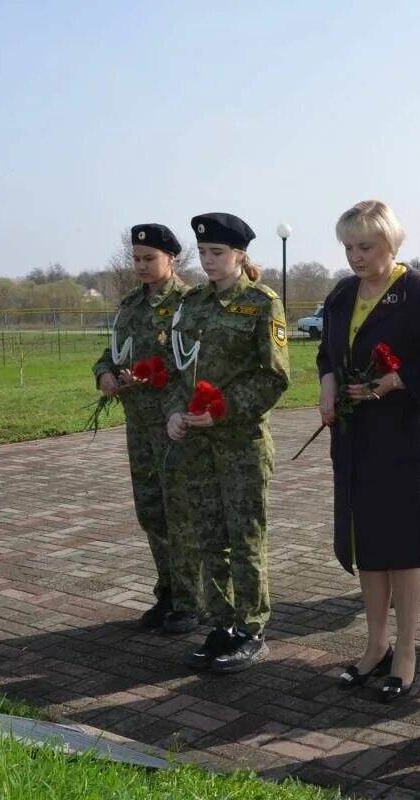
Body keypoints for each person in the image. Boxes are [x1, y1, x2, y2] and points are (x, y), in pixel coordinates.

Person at [317, 200, 420, 703]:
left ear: (391, 243)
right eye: (349, 247)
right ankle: (374, 645)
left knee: (404, 550)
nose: (356, 256)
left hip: (408, 440)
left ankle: (406, 652)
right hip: (357, 441)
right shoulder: (341, 294)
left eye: (366, 246)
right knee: (369, 547)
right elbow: (326, 352)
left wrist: (400, 379)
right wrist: (327, 385)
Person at [166, 212, 289, 674]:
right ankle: (220, 624)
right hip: (197, 445)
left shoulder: (260, 303)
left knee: (244, 539)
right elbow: (178, 369)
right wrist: (176, 413)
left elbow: (275, 377)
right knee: (208, 539)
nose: (208, 261)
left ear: (240, 255)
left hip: (241, 443)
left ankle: (252, 629)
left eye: (218, 253)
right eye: (203, 253)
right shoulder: (191, 303)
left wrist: (219, 409)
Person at [92, 223, 201, 635]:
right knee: (152, 511)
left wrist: (159, 383)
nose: (140, 265)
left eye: (148, 258)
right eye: (136, 258)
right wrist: (104, 374)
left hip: (174, 425)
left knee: (181, 514)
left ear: (171, 259)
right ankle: (169, 593)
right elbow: (111, 352)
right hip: (139, 425)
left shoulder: (188, 304)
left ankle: (193, 602)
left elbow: (192, 364)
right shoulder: (131, 306)